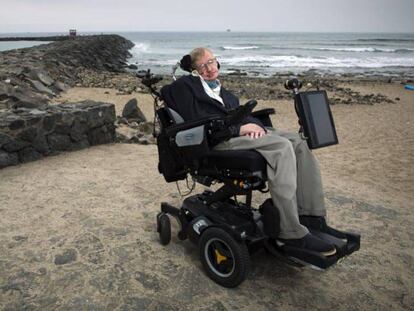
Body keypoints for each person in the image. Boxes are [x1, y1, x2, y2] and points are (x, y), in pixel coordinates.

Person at [166, 47, 336, 256]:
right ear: (194, 70)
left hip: (235, 133)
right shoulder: (185, 87)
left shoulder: (221, 91)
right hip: (217, 140)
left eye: (212, 62)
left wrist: (257, 127)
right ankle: (290, 231)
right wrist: (239, 129)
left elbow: (239, 114)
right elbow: (198, 119)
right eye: (203, 66)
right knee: (281, 148)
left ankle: (311, 216)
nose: (210, 68)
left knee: (298, 142)